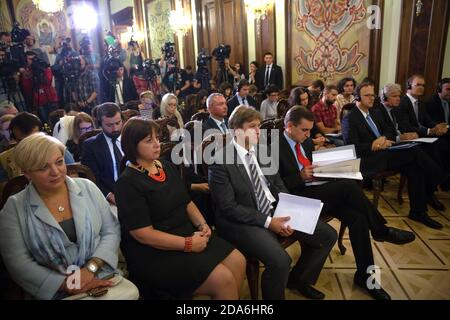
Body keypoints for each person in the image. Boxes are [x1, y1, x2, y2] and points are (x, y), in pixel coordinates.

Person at [277, 106, 416, 300]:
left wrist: (326, 168)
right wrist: (299, 177)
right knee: (348, 186)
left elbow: (310, 163)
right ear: (290, 126)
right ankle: (380, 230)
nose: (309, 134)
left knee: (358, 218)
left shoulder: (305, 141)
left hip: (317, 190)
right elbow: (273, 186)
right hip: (296, 198)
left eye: (310, 130)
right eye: (305, 130)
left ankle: (366, 277)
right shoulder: (272, 146)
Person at [208, 106, 337, 300]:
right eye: (253, 127)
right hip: (242, 220)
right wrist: (270, 222)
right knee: (280, 261)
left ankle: (299, 280)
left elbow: (277, 185)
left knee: (327, 235)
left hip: (273, 208)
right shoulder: (220, 161)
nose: (259, 131)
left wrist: (289, 209)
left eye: (259, 126)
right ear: (236, 130)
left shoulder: (263, 150)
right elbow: (228, 207)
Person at [115, 118, 245, 299]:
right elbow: (143, 234)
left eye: (157, 138)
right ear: (132, 146)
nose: (157, 144)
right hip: (154, 252)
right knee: (224, 280)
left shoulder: (165, 166)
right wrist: (188, 244)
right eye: (148, 141)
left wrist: (202, 224)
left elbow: (186, 201)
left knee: (238, 260)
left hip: (185, 231)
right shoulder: (127, 183)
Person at [0, 132, 139, 300]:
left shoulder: (87, 187)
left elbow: (111, 230)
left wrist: (91, 269)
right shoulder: (14, 208)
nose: (55, 172)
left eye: (59, 162)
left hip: (102, 277)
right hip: (54, 291)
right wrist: (66, 283)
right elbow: (18, 262)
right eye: (43, 167)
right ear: (27, 173)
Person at [343, 82, 444, 230]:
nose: (371, 98)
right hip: (369, 159)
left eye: (373, 95)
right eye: (367, 95)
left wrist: (383, 138)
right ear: (357, 97)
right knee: (413, 152)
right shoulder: (350, 118)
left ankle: (418, 212)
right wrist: (374, 143)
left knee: (415, 166)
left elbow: (390, 131)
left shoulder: (376, 112)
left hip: (387, 153)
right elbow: (351, 147)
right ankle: (441, 177)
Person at [0, 112, 74, 193]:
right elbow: (6, 192)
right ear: (14, 139)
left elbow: (74, 179)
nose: (30, 147)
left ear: (42, 133)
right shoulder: (4, 159)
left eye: (35, 139)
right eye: (23, 142)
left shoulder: (58, 151)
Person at [81, 103, 124, 204]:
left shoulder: (131, 139)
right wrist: (109, 195)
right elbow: (91, 178)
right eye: (109, 125)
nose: (115, 129)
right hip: (107, 198)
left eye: (118, 123)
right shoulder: (91, 146)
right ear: (99, 123)